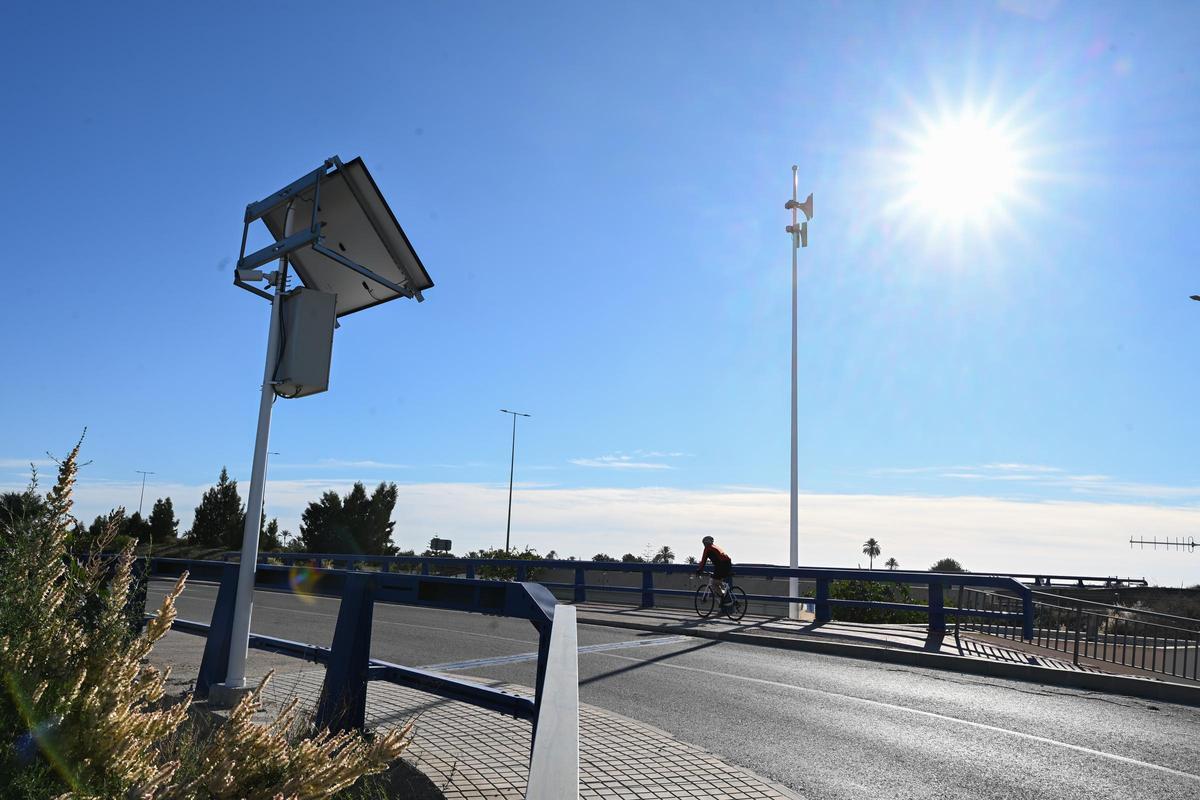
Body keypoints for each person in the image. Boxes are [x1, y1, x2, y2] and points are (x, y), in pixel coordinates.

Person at [695, 535, 734, 609]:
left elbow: (703, 560)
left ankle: (723, 598)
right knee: (718, 581)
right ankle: (724, 595)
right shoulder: (715, 547)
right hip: (727, 564)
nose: (704, 545)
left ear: (706, 543)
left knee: (713, 583)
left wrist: (699, 570)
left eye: (704, 543)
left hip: (721, 565)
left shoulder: (708, 548)